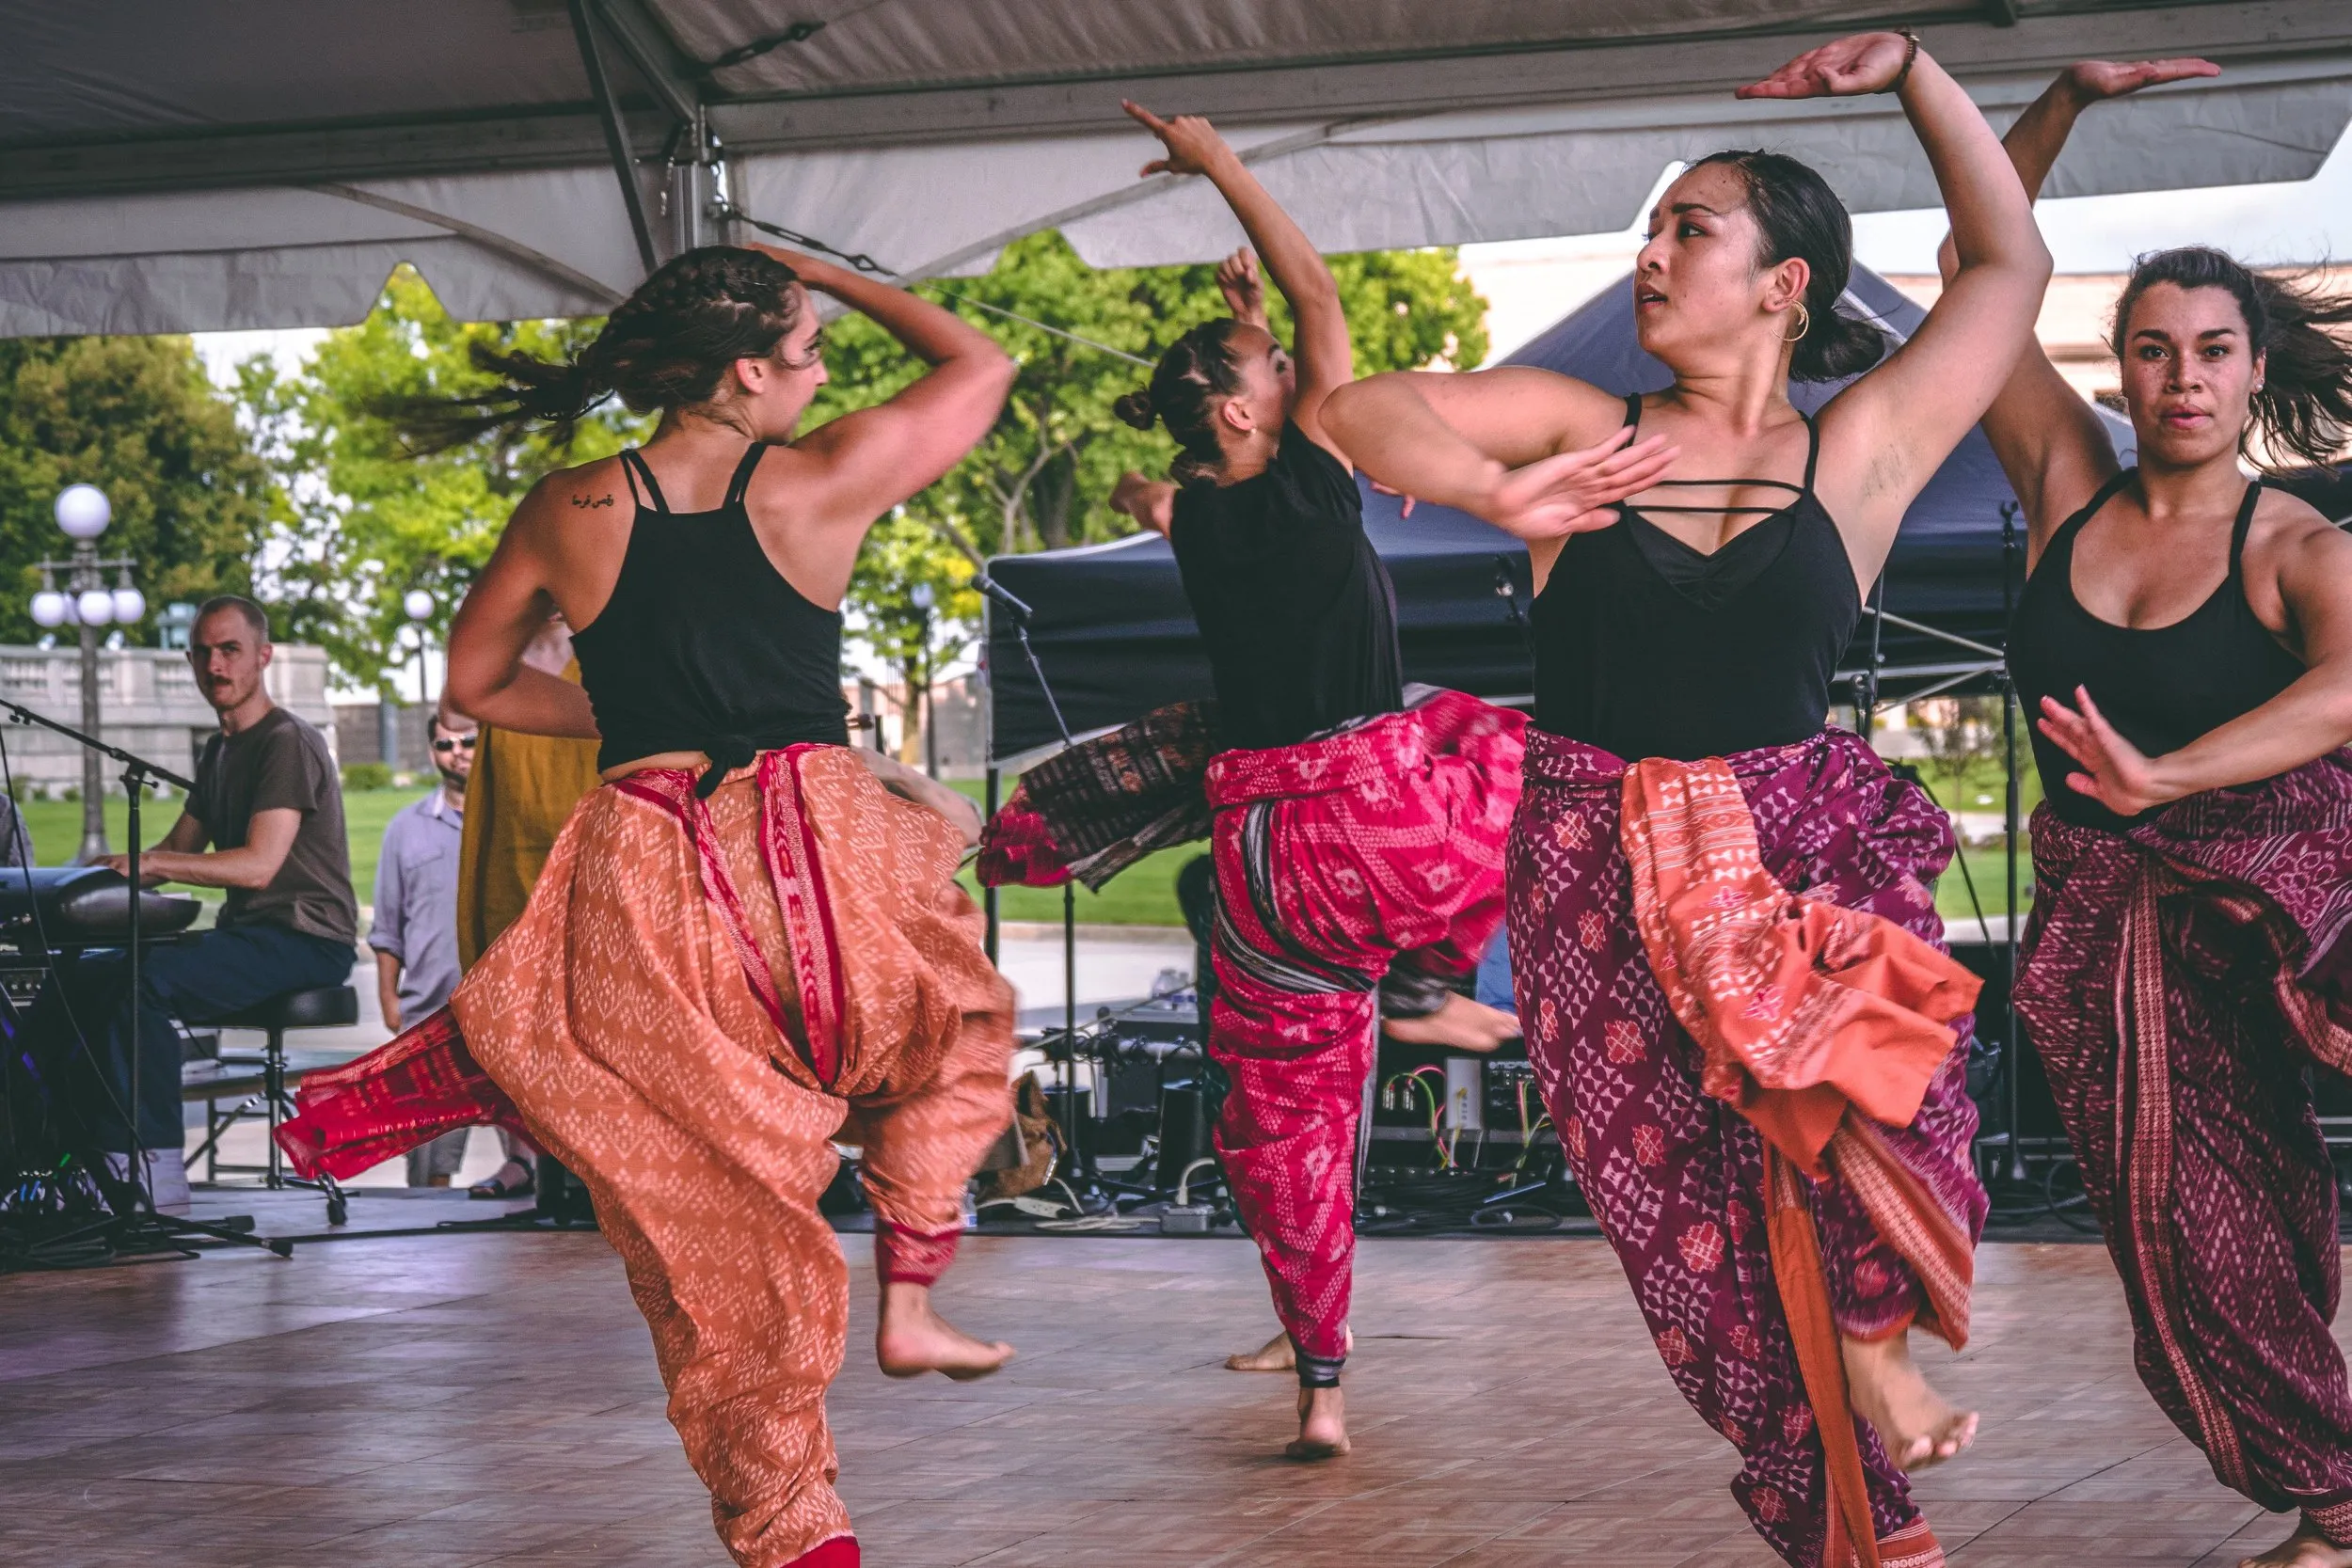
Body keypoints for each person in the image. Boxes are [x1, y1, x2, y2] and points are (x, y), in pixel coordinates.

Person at [1324, 30, 2050, 1566]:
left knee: (1867, 1084)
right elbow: (1358, 410)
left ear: (1786, 284)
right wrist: (1485, 493)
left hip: (1798, 867)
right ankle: (1838, 1499)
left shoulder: (1858, 452)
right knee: (1705, 1263)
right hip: (1598, 887)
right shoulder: (1581, 432)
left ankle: (1874, 1339)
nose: (1652, 253)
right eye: (1652, 228)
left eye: (1690, 228)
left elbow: (2006, 267)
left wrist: (1914, 70)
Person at [420, 241, 1017, 1568]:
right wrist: (831, 266)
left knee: (708, 1231)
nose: (819, 378)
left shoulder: (569, 506)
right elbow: (980, 362)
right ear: (747, 372)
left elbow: (476, 681)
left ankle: (799, 1531)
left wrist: (621, 717)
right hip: (817, 867)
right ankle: (911, 1284)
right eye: (807, 351)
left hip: (650, 890)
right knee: (957, 1030)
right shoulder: (820, 482)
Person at [1948, 58, 2352, 1568]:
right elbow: (1984, 265)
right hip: (2093, 933)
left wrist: (2174, 777)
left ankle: (2335, 1489)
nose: (2183, 375)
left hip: (2245, 917)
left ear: (2253, 374)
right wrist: (2054, 107)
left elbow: (2349, 689)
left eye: (2214, 350)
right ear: (2116, 372)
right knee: (2191, 1216)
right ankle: (2327, 1476)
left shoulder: (2295, 539)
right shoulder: (2065, 489)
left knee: (2228, 1208)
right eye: (2154, 349)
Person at [1099, 102, 1534, 1462]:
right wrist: (1226, 167)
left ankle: (1321, 1380)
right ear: (1247, 408)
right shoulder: (1313, 472)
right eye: (1272, 367)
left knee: (1288, 1112)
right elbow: (1319, 288)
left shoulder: (1210, 511)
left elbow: (1167, 481)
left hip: (1263, 863)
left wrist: (1207, 389)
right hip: (1375, 831)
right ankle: (1426, 978)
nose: (1300, 366)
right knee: (1512, 745)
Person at [25, 594, 358, 1212]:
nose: (215, 665)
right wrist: (87, 881)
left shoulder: (287, 740)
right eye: (203, 652)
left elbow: (258, 865)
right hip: (253, 937)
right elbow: (178, 846)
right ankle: (57, 1156)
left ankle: (154, 1168)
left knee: (140, 983)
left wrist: (147, 864)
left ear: (263, 656)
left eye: (230, 650)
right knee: (81, 975)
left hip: (307, 939)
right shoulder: (219, 749)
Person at [448, 610, 599, 1201]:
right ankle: (539, 1172)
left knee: (592, 1026)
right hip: (511, 864)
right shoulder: (495, 666)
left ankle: (595, 1178)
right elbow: (451, 718)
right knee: (520, 1026)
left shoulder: (603, 659)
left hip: (590, 868)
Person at [369, 709, 475, 1187]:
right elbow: (388, 927)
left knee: (534, 1148)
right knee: (430, 1159)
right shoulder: (404, 829)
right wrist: (389, 998)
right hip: (431, 1009)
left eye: (468, 742)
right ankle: (431, 1249)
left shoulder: (512, 823)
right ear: (433, 752)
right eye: (445, 744)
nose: (457, 754)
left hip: (507, 1007)